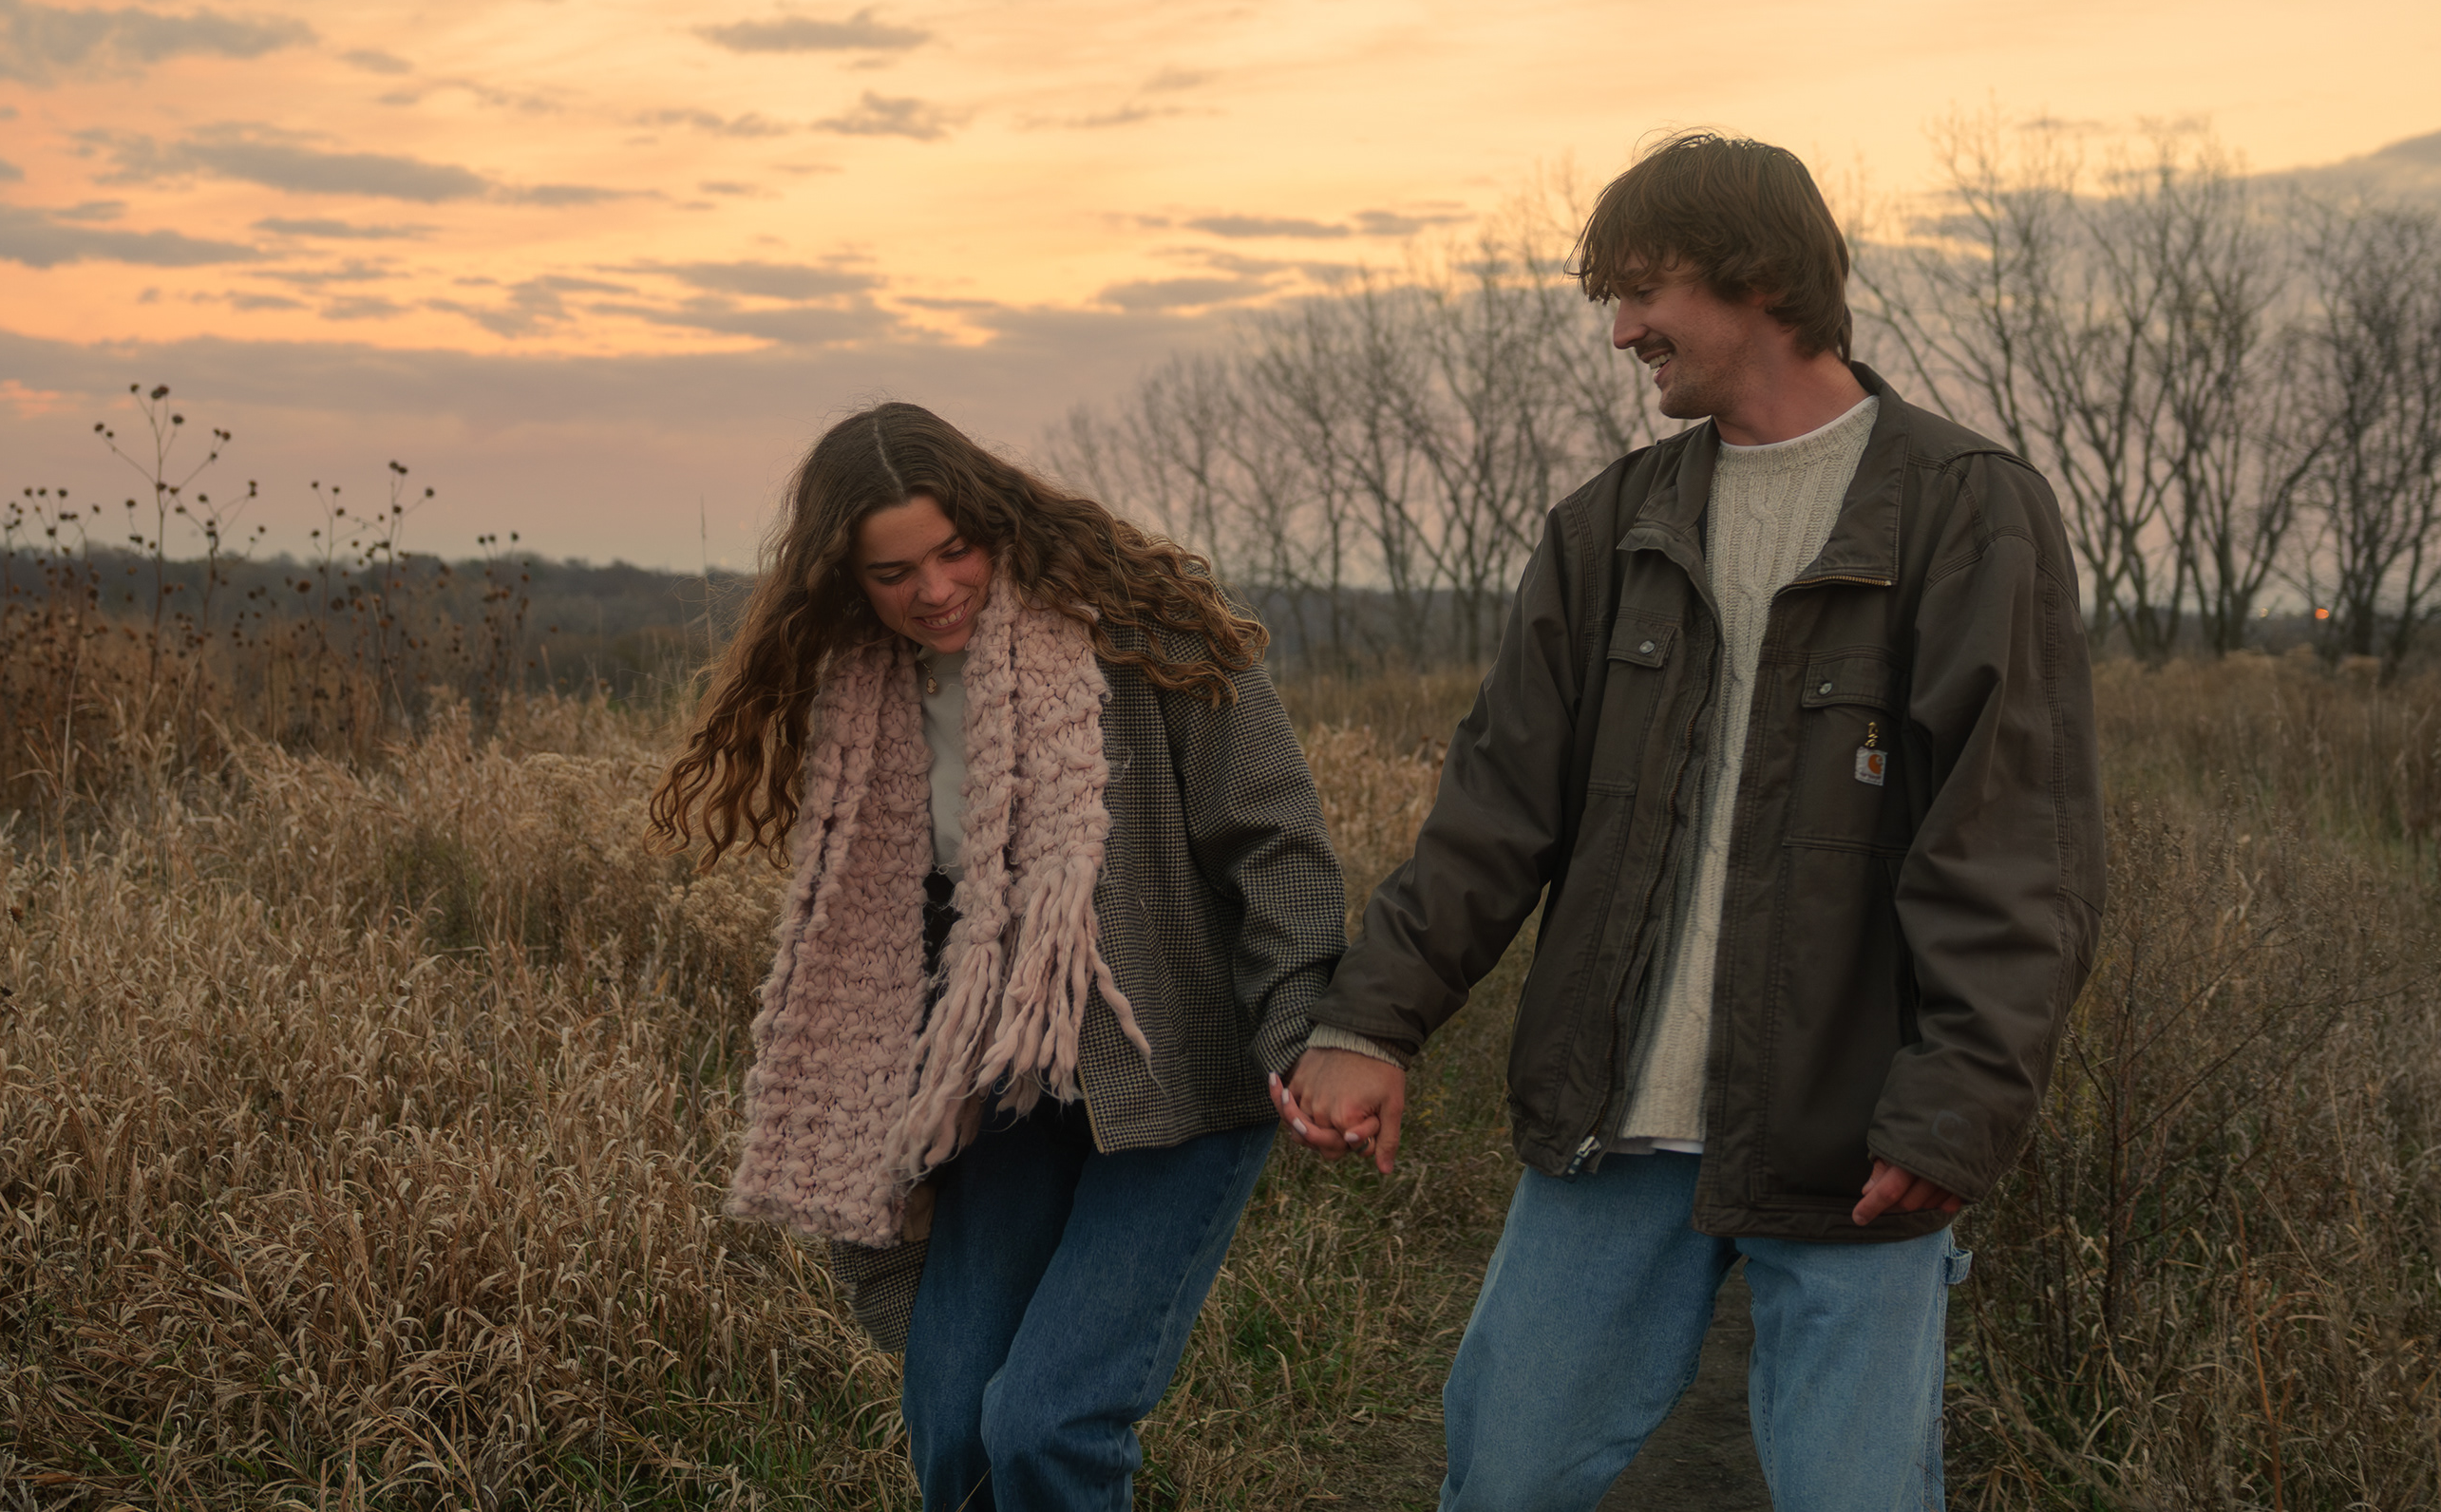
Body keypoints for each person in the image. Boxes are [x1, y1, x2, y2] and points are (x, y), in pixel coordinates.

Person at [1276, 133, 2104, 1512]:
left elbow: (2017, 854)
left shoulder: (1969, 514)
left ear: (1758, 276)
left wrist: (1957, 1111)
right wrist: (1372, 1024)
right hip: (1612, 1125)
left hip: (1854, 1146)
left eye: (1645, 290)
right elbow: (1494, 812)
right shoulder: (1606, 529)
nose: (1623, 331)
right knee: (1503, 1479)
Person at [655, 402, 1344, 1512]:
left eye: (954, 550)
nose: (933, 589)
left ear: (994, 520)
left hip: (1178, 1078)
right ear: (847, 578)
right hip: (1009, 1097)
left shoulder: (1142, 627)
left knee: (1046, 1424)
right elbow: (896, 933)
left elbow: (1277, 843)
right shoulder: (863, 694)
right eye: (892, 573)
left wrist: (1303, 1032)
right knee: (952, 1421)